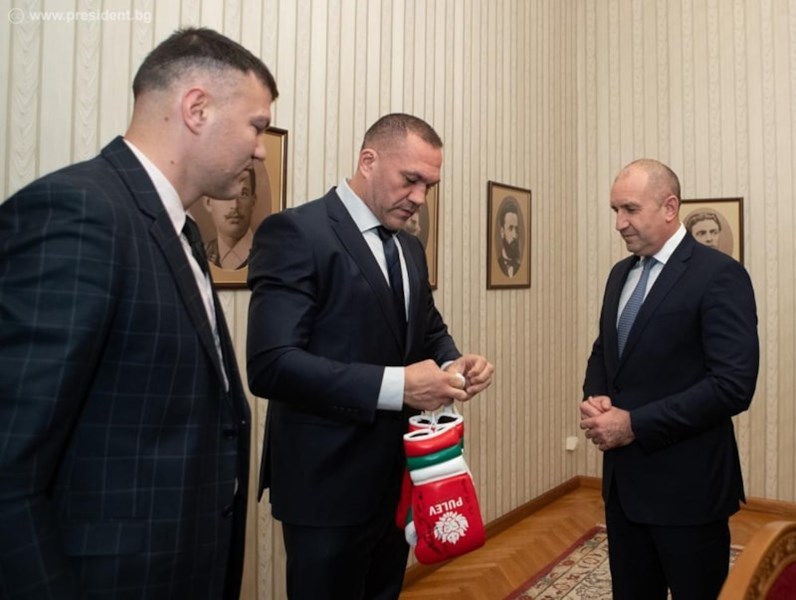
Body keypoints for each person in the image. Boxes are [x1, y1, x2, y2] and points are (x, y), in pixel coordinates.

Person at [0, 28, 278, 599]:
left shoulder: (179, 231)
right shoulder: (80, 213)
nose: (260, 149)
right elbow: (10, 465)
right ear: (196, 108)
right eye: (256, 125)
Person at [247, 112, 494, 599]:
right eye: (411, 180)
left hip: (398, 480)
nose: (420, 198)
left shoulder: (410, 248)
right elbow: (271, 365)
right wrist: (401, 386)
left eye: (429, 186)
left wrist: (452, 363)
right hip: (325, 483)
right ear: (368, 161)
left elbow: (427, 329)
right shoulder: (296, 232)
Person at [580, 159, 759, 599]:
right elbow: (606, 350)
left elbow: (733, 385)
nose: (619, 223)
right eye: (615, 210)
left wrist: (633, 424)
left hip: (688, 490)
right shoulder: (620, 274)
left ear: (669, 207)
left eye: (630, 209)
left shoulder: (719, 274)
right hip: (623, 486)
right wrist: (596, 396)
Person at [204, 167, 257, 269]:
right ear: (208, 202)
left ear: (253, 202)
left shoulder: (267, 254)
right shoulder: (199, 255)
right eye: (224, 193)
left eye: (243, 194)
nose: (234, 205)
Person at [497, 197, 521, 277]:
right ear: (502, 232)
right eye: (510, 228)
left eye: (516, 229)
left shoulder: (519, 268)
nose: (515, 235)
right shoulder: (497, 266)